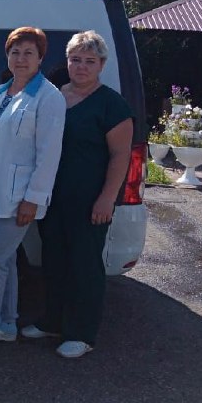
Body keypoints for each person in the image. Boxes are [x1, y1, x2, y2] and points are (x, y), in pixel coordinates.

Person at [22, 31, 133, 358]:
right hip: (51, 198)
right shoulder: (55, 96)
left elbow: (120, 156)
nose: (81, 66)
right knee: (53, 261)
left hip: (89, 201)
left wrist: (107, 198)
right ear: (66, 61)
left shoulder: (111, 104)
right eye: (75, 59)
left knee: (85, 266)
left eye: (89, 61)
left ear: (101, 65)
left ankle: (81, 332)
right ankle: (52, 321)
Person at [0, 26, 66, 359]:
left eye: (28, 52)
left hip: (19, 197)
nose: (21, 59)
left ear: (40, 58)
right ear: (6, 56)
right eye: (15, 52)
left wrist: (33, 198)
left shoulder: (49, 97)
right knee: (4, 261)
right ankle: (7, 324)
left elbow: (48, 154)